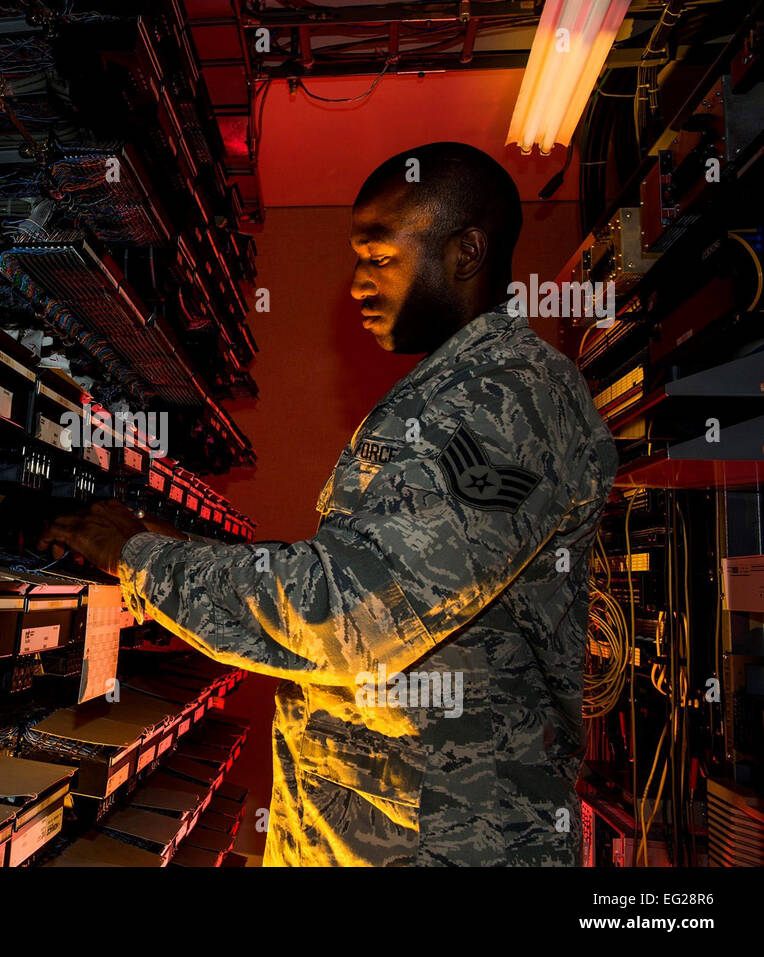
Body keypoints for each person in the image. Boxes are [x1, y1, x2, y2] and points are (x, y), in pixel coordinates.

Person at [40, 142, 619, 866]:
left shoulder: (508, 398)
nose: (356, 284)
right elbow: (361, 568)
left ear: (466, 252)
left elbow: (348, 614)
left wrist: (143, 559)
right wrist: (180, 548)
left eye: (378, 257)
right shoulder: (453, 390)